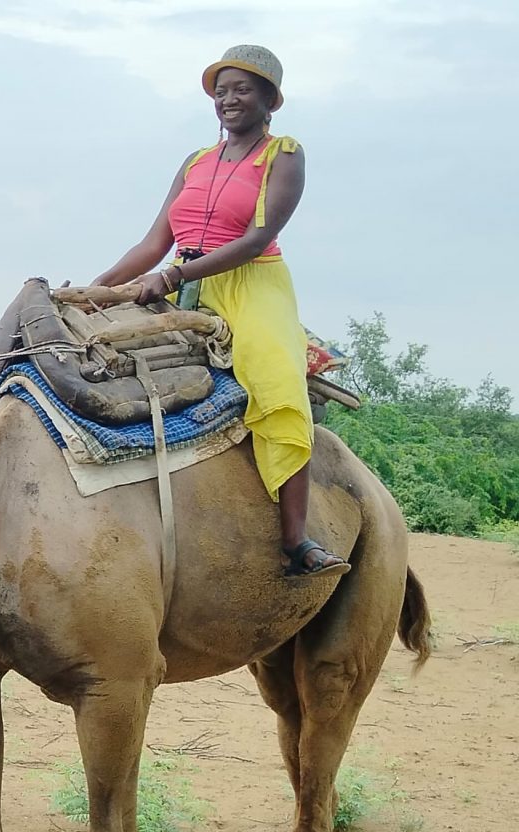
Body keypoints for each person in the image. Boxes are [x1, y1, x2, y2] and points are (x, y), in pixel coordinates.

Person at [92, 44, 349, 576]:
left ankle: (297, 540)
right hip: (180, 283)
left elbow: (259, 238)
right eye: (221, 90)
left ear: (270, 100)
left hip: (251, 285)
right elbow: (153, 242)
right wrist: (100, 289)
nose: (229, 100)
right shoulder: (195, 162)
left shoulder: (285, 153)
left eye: (243, 89)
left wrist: (174, 275)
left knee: (277, 382)